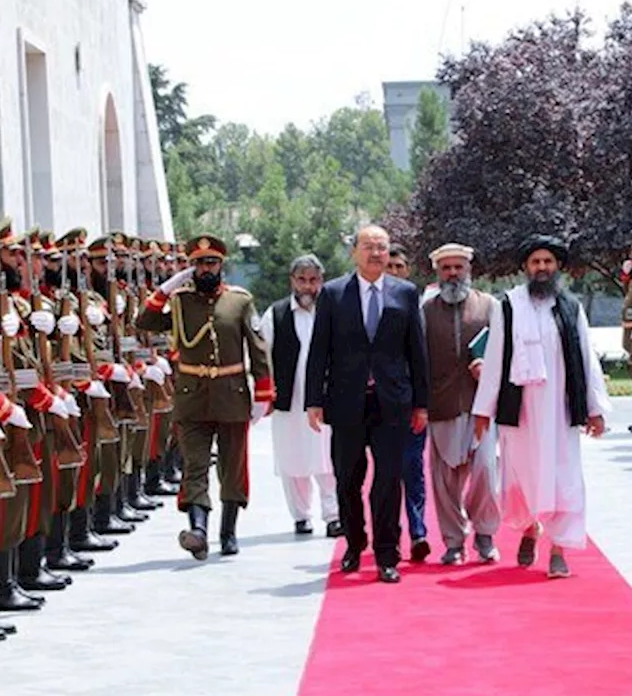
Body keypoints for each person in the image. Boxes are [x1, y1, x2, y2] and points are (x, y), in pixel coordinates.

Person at [472, 234, 611, 578]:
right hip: (520, 412)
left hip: (560, 411)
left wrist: (595, 408)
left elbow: (586, 358)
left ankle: (558, 549)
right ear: (525, 268)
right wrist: (483, 411)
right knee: (522, 476)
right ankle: (529, 529)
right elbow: (495, 359)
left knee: (563, 478)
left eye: (548, 262)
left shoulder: (570, 307)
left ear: (558, 267)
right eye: (536, 262)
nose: (542, 268)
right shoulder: (508, 306)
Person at [137, 234, 273, 560]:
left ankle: (228, 532)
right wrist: (166, 288)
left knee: (232, 467)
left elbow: (258, 348)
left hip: (231, 393)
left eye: (211, 262)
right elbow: (144, 321)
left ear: (221, 264)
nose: (205, 268)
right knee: (194, 465)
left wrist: (263, 393)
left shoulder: (239, 301)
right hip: (192, 395)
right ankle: (198, 531)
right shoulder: (181, 301)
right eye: (199, 264)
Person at [305, 225, 429, 584]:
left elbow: (416, 353)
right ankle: (354, 542)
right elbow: (319, 350)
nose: (376, 253)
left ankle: (387, 553)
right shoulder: (333, 293)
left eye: (382, 247)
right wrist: (314, 400)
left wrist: (421, 403)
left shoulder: (405, 293)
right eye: (368, 247)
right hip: (346, 402)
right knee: (347, 479)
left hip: (392, 403)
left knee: (389, 480)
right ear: (354, 252)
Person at [421, 243, 502, 565]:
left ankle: (485, 533)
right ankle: (453, 541)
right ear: (438, 272)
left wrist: (489, 370)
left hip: (481, 406)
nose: (453, 274)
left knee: (484, 469)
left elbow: (505, 354)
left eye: (458, 268)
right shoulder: (425, 312)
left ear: (469, 270)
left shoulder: (490, 307)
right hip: (441, 405)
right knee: (444, 479)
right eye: (447, 268)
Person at [260, 254, 339, 536]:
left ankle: (333, 516)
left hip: (326, 398)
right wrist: (265, 393)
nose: (308, 286)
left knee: (328, 459)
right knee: (293, 460)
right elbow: (262, 354)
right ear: (292, 281)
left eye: (313, 280)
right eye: (302, 280)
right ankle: (301, 516)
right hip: (289, 400)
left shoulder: (333, 310)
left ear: (322, 280)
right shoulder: (276, 314)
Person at [385, 242, 431, 561]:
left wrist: (422, 404)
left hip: (412, 403)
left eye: (400, 267)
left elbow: (423, 360)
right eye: (390, 267)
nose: (395, 273)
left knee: (412, 469)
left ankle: (418, 534)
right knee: (388, 474)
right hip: (380, 407)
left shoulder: (417, 305)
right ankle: (391, 536)